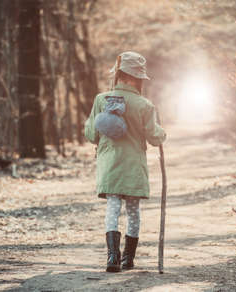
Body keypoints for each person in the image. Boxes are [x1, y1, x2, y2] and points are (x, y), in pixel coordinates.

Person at [84, 51, 166, 272]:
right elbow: (154, 137)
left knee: (112, 207)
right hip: (133, 168)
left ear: (118, 74)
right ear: (138, 78)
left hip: (109, 165)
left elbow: (91, 134)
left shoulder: (101, 100)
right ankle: (128, 259)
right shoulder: (145, 105)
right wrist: (162, 132)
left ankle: (112, 258)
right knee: (133, 211)